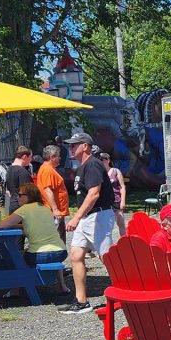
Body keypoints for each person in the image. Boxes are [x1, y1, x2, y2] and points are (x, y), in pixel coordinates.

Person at [63, 132, 115, 314]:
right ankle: (81, 301)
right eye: (70, 145)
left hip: (98, 216)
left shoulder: (93, 164)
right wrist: (79, 217)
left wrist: (76, 217)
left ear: (85, 146)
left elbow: (94, 193)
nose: (70, 148)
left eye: (73, 145)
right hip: (88, 217)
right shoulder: (83, 166)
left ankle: (126, 292)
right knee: (76, 255)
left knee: (107, 257)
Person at [0, 182, 69, 296]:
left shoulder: (24, 209)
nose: (18, 197)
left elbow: (2, 225)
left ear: (29, 196)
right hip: (60, 252)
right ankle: (63, 287)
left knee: (17, 257)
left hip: (39, 255)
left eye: (20, 195)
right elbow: (37, 225)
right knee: (52, 255)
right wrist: (21, 225)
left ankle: (15, 290)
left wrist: (16, 225)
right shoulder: (45, 208)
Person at [36, 144, 69, 244]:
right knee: (57, 240)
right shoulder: (47, 170)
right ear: (52, 157)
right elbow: (47, 190)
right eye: (58, 156)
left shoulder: (49, 169)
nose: (60, 158)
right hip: (53, 213)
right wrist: (55, 209)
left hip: (55, 212)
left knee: (59, 238)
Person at [99, 152, 127, 237]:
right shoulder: (100, 172)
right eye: (99, 160)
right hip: (105, 201)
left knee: (121, 223)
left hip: (116, 200)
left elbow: (122, 187)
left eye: (102, 160)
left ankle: (125, 241)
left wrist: (123, 201)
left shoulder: (115, 171)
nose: (101, 162)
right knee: (106, 225)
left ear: (108, 160)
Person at [5, 146, 34, 215]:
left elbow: (7, 191)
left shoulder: (9, 169)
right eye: (30, 157)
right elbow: (26, 192)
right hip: (21, 207)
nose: (31, 159)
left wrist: (6, 209)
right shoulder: (22, 172)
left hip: (11, 205)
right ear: (24, 157)